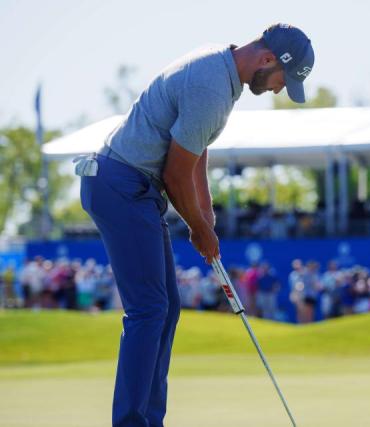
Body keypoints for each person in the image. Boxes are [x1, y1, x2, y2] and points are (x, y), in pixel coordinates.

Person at [77, 24, 315, 427]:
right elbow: (175, 173)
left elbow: (195, 150)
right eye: (282, 81)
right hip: (120, 183)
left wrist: (206, 217)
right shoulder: (211, 87)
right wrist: (198, 230)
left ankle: (150, 419)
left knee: (165, 309)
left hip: (133, 187)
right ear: (268, 59)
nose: (278, 89)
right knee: (149, 309)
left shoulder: (221, 70)